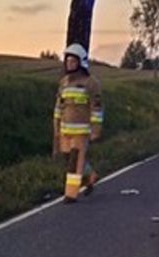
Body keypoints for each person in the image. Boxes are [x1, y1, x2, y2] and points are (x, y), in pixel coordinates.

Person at [53, 43, 103, 202]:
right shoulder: (64, 83)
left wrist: (96, 129)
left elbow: (96, 108)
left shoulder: (91, 83)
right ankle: (90, 175)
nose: (69, 64)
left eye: (73, 61)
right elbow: (59, 106)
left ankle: (71, 194)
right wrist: (56, 126)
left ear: (81, 62)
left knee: (74, 161)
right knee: (68, 158)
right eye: (67, 61)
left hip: (82, 131)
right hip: (65, 130)